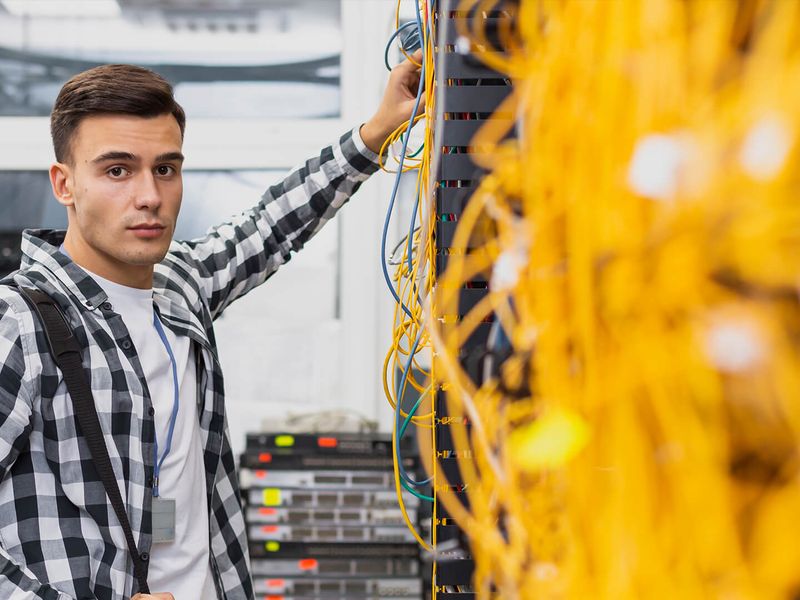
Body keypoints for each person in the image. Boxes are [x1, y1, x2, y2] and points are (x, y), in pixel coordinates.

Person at [0, 51, 423, 600]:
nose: (149, 196)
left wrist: (377, 131)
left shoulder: (179, 285)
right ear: (64, 184)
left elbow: (270, 227)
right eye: (117, 170)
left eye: (166, 169)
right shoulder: (20, 323)